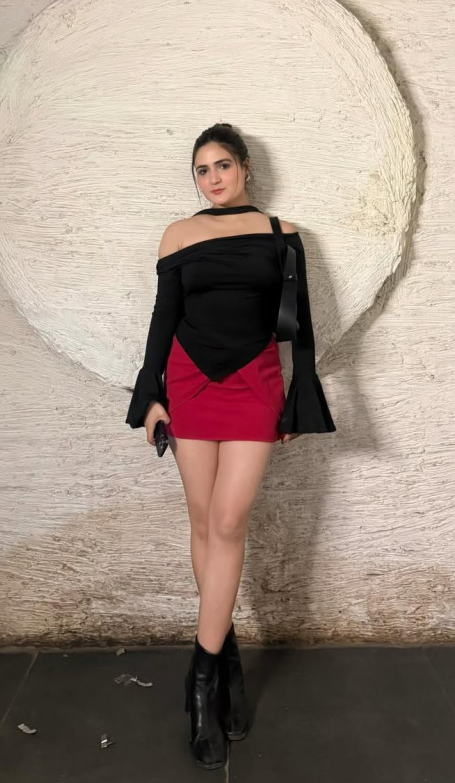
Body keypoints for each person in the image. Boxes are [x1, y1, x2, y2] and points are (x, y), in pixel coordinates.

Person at [125, 122, 335, 770]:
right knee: (201, 521)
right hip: (188, 380)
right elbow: (162, 319)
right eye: (201, 169)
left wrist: (301, 396)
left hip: (253, 382)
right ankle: (228, 661)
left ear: (244, 167)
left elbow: (300, 326)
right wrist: (151, 394)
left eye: (221, 165)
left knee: (227, 520)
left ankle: (199, 681)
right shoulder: (178, 235)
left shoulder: (282, 234)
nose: (212, 178)